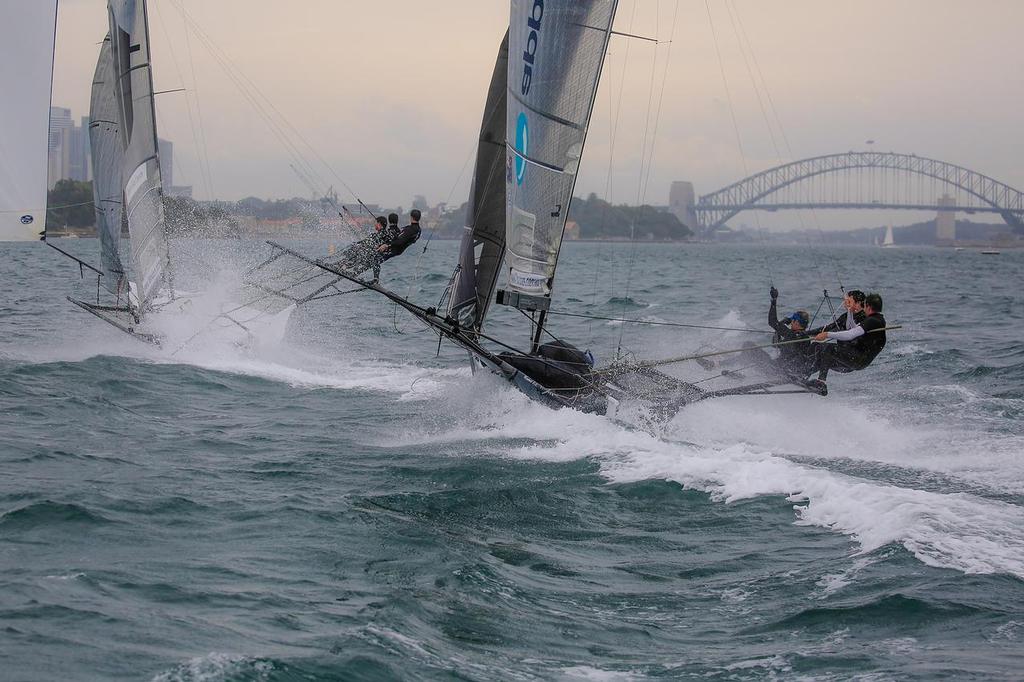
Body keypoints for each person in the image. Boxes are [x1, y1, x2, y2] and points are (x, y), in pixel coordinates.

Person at [804, 292, 887, 395]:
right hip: (859, 359)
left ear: (868, 307)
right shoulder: (876, 320)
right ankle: (804, 376)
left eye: (864, 306)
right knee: (823, 355)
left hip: (859, 358)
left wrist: (827, 334)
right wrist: (850, 311)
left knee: (828, 348)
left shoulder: (872, 321)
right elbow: (852, 328)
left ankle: (821, 382)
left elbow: (850, 334)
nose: (863, 308)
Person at [765, 286, 816, 378]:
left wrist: (774, 300)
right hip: (793, 370)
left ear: (796, 322)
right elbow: (776, 344)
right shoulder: (805, 338)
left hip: (780, 369)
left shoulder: (790, 334)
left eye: (792, 320)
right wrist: (781, 324)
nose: (791, 323)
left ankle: (732, 367)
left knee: (748, 345)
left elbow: (772, 321)